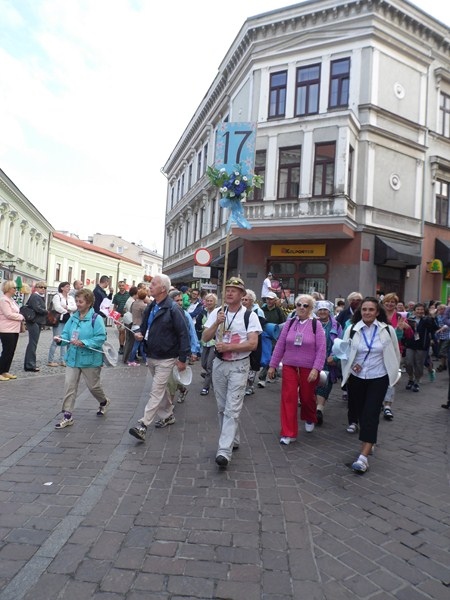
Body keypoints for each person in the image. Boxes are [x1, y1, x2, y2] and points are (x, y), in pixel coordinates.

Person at [202, 277, 262, 468]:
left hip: (239, 366)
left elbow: (253, 344)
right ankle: (233, 439)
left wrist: (229, 347)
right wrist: (216, 324)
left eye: (234, 290)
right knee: (222, 407)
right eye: (227, 289)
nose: (229, 293)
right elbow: (205, 337)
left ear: (242, 295)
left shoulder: (249, 316)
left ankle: (224, 451)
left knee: (232, 408)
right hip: (219, 365)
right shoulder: (218, 312)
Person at [338, 297, 400, 473]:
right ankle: (369, 440)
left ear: (377, 312)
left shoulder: (387, 330)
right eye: (364, 309)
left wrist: (393, 374)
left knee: (371, 413)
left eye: (371, 309)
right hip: (357, 377)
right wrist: (349, 367)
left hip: (378, 377)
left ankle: (363, 457)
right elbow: (344, 353)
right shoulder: (352, 329)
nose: (367, 312)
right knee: (360, 412)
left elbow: (395, 353)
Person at [128, 274, 190, 442]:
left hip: (167, 357)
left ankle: (143, 425)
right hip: (151, 355)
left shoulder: (173, 309)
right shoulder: (151, 306)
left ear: (163, 288)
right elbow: (145, 327)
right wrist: (140, 334)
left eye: (154, 284)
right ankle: (168, 415)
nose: (150, 286)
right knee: (161, 389)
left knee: (155, 390)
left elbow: (183, 334)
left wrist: (182, 358)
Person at [267, 294, 326, 445]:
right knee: (289, 397)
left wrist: (316, 368)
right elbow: (280, 345)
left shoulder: (316, 325)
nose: (301, 307)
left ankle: (310, 416)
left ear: (311, 308)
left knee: (306, 397)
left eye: (305, 305)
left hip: (308, 367)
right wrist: (272, 365)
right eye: (299, 304)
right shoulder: (290, 323)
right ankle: (288, 433)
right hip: (289, 365)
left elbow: (321, 349)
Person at [54, 288, 111, 429]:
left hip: (90, 359)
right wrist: (60, 339)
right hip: (73, 357)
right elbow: (66, 334)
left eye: (81, 302)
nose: (78, 304)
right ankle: (67, 415)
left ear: (89, 303)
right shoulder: (73, 317)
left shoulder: (96, 319)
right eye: (77, 301)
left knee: (93, 387)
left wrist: (84, 342)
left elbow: (101, 337)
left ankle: (103, 401)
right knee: (69, 385)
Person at [380, 292, 413, 420]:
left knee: (391, 378)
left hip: (394, 351)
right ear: (383, 303)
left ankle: (387, 406)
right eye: (387, 301)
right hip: (378, 351)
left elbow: (410, 335)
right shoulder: (378, 315)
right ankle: (378, 401)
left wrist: (406, 327)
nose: (390, 304)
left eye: (392, 302)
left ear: (396, 304)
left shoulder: (400, 316)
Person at [168, 290, 200, 403]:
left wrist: (194, 351)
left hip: (180, 351)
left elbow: (192, 333)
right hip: (167, 351)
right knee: (171, 377)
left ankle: (169, 408)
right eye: (177, 300)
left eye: (181, 300)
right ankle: (182, 389)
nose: (180, 303)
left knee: (171, 380)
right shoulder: (166, 313)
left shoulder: (185, 315)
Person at [314, 300, 342, 426]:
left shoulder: (336, 325)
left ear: (329, 311)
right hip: (312, 360)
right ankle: (314, 407)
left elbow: (340, 342)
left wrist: (335, 357)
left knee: (325, 384)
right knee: (312, 385)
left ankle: (319, 409)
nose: (322, 312)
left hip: (328, 361)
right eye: (320, 310)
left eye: (325, 310)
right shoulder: (312, 323)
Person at [404, 303, 438, 393]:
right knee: (408, 362)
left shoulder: (427, 319)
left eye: (421, 309)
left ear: (424, 310)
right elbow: (405, 331)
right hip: (410, 344)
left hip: (422, 345)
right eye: (418, 309)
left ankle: (417, 381)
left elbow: (434, 328)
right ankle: (410, 378)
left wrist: (433, 317)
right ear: (414, 310)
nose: (420, 311)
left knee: (419, 364)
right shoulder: (409, 319)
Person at [258, 291, 286, 387]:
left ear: (275, 300)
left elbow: (283, 323)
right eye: (267, 299)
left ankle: (264, 376)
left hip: (275, 336)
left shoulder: (278, 311)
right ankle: (268, 375)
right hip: (264, 335)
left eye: (271, 299)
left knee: (272, 355)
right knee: (267, 355)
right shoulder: (262, 310)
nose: (269, 301)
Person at [242, 289, 266, 396]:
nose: (244, 301)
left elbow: (261, 327)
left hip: (255, 340)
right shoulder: (240, 310)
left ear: (252, 301)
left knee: (253, 363)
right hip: (243, 341)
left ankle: (250, 386)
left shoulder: (258, 311)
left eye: (246, 299)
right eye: (242, 299)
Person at [48, 281, 76, 367]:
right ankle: (50, 360)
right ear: (62, 288)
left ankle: (63, 360)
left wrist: (67, 307)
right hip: (59, 321)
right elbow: (57, 307)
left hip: (69, 320)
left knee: (67, 340)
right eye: (67, 286)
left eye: (69, 286)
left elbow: (75, 307)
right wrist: (66, 311)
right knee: (57, 339)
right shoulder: (57, 296)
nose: (69, 288)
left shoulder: (71, 298)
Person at [0, 280, 25, 381]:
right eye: (14, 288)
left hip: (14, 329)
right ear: (8, 289)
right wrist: (21, 317)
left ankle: (5, 371)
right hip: (6, 329)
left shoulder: (11, 300)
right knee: (6, 351)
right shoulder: (3, 300)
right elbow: (8, 314)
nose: (16, 290)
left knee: (11, 351)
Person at [23, 281, 49, 372]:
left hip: (36, 321)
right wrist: (47, 311)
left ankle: (29, 364)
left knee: (33, 343)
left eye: (45, 288)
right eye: (41, 287)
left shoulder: (39, 296)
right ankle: (30, 365)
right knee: (33, 343)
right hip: (34, 321)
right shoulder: (35, 296)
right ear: (36, 288)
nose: (43, 289)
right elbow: (37, 308)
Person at [199, 293, 218, 396]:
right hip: (205, 341)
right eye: (207, 300)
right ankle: (213, 377)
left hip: (214, 341)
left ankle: (205, 387)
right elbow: (199, 325)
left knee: (209, 365)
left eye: (211, 301)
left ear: (215, 302)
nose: (209, 302)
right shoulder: (203, 312)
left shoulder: (218, 312)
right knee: (203, 364)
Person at [127, 288, 148, 366]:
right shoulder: (143, 305)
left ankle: (146, 360)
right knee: (137, 345)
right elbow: (145, 316)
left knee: (140, 344)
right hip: (139, 326)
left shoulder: (134, 303)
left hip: (133, 325)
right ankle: (131, 360)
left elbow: (131, 311)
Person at [112, 281, 130, 355]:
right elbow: (114, 307)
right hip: (119, 316)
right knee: (121, 331)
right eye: (120, 286)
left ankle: (127, 346)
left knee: (127, 332)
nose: (121, 287)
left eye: (123, 285)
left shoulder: (128, 294)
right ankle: (121, 346)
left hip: (127, 316)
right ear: (118, 286)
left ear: (125, 286)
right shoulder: (116, 296)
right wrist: (114, 317)